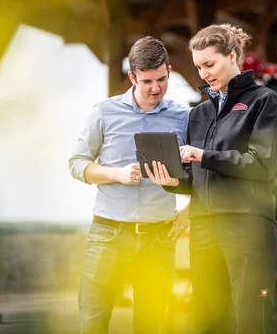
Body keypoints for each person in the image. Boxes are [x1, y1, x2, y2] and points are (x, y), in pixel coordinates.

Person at [146, 24, 277, 334]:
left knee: (253, 320)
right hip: (205, 228)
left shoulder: (264, 102)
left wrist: (202, 155)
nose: (204, 73)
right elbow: (198, 178)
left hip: (247, 227)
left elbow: (262, 164)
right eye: (199, 67)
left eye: (210, 64)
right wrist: (173, 181)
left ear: (233, 56)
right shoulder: (199, 114)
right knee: (209, 321)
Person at [68, 36, 190, 334]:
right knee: (93, 323)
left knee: (152, 325)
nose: (156, 88)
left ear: (170, 71)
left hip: (159, 239)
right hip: (108, 235)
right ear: (132, 77)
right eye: (147, 81)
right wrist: (117, 175)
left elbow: (203, 176)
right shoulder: (104, 112)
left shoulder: (184, 117)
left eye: (162, 79)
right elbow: (77, 164)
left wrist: (189, 212)